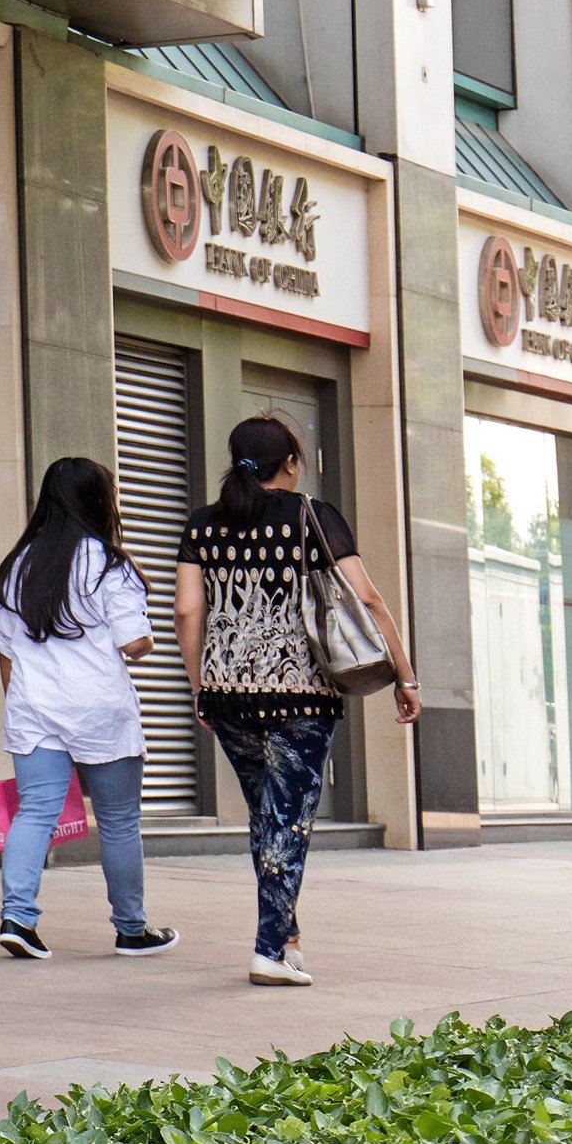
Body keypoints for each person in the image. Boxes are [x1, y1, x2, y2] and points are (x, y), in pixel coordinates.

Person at [178, 413, 416, 988]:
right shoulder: (312, 516)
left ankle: (286, 937)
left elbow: (187, 611)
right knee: (289, 819)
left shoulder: (203, 525)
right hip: (300, 693)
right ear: (291, 463)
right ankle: (267, 950)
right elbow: (369, 599)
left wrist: (199, 689)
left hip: (228, 692)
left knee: (269, 816)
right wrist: (405, 675)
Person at [0, 458, 172, 963]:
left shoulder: (15, 566)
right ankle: (131, 930)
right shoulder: (110, 564)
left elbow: (7, 656)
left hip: (33, 709)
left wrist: (24, 706)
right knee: (117, 821)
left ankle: (18, 919)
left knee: (35, 813)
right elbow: (135, 644)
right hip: (98, 710)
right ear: (98, 501)